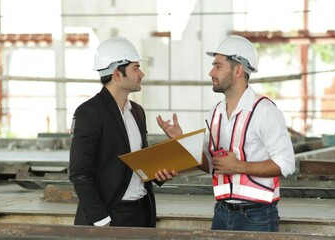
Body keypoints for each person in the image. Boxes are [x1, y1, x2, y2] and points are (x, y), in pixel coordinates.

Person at [157, 35, 296, 232]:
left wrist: (239, 166)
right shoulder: (216, 112)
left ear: (238, 69)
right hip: (221, 213)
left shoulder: (264, 111)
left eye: (218, 66)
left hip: (257, 217)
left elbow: (287, 164)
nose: (211, 72)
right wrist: (182, 141)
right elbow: (213, 166)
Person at [69, 37, 177, 228]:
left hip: (142, 212)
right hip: (109, 216)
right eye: (136, 68)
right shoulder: (89, 113)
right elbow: (80, 173)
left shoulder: (137, 111)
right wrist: (101, 221)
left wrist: (158, 173)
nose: (142, 73)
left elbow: (136, 165)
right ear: (117, 73)